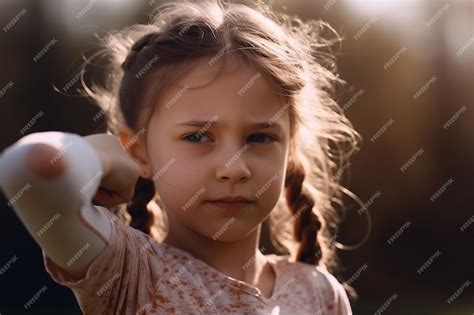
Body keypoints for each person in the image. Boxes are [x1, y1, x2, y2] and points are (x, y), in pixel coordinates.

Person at [0, 1, 362, 313]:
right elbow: (31, 165)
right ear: (139, 149)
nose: (233, 168)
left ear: (291, 147)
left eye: (260, 137)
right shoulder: (132, 273)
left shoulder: (320, 293)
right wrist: (111, 157)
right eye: (198, 136)